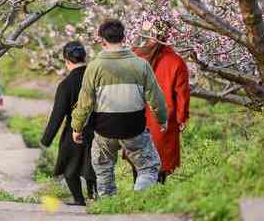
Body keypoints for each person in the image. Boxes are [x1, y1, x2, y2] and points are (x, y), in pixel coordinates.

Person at [71, 19, 168, 197]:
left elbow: (85, 102)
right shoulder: (141, 64)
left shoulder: (94, 67)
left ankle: (109, 204)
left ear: (102, 40)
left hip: (105, 129)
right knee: (148, 166)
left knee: (103, 168)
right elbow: (156, 98)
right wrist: (162, 120)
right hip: (134, 128)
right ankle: (139, 198)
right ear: (124, 38)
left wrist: (77, 127)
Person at [131, 23, 190, 184]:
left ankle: (138, 198)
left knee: (139, 162)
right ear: (167, 36)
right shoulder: (176, 61)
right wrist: (181, 118)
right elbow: (182, 95)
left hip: (135, 118)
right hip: (163, 121)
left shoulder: (135, 56)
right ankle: (155, 197)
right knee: (161, 164)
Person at [40, 41, 97, 206]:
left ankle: (79, 199)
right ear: (85, 57)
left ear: (66, 60)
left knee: (69, 169)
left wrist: (46, 139)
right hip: (97, 128)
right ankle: (94, 196)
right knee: (92, 166)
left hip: (74, 132)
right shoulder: (96, 79)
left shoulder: (66, 85)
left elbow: (57, 115)